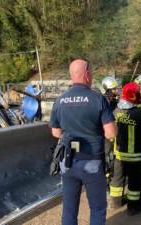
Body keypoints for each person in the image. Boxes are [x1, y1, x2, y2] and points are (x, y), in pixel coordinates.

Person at [49, 59, 116, 225]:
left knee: (69, 209)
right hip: (91, 160)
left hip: (68, 161)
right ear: (87, 74)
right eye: (91, 72)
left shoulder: (60, 100)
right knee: (97, 208)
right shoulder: (97, 98)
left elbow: (56, 132)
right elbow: (111, 133)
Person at [109, 82, 141, 216]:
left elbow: (110, 135)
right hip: (136, 157)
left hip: (119, 155)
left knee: (117, 179)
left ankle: (115, 203)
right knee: (134, 181)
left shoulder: (115, 112)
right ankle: (133, 207)